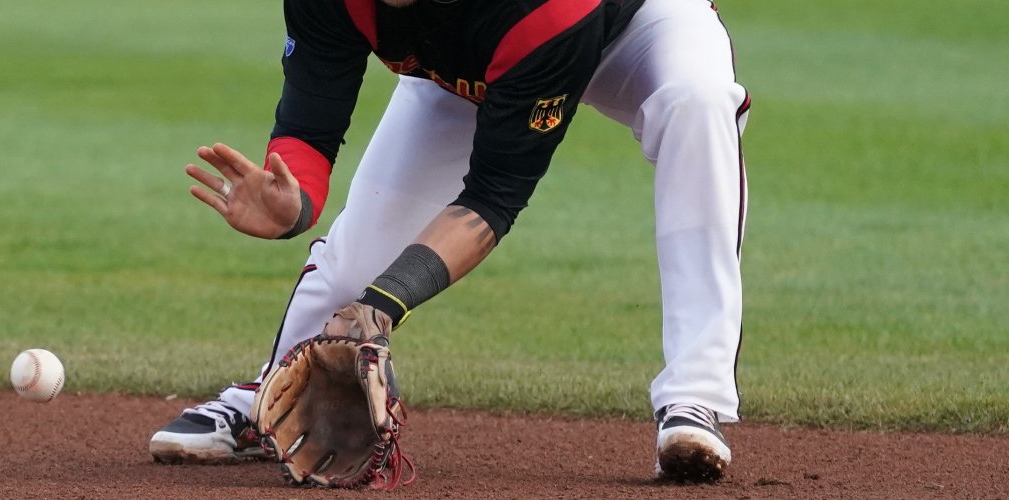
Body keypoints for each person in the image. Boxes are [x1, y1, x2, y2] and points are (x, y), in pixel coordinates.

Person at [150, 0, 750, 482]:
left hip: (628, 24)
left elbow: (492, 198)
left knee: (696, 102)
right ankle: (268, 395)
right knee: (352, 267)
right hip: (465, 66)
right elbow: (310, 124)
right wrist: (293, 202)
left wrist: (382, 305)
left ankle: (693, 399)